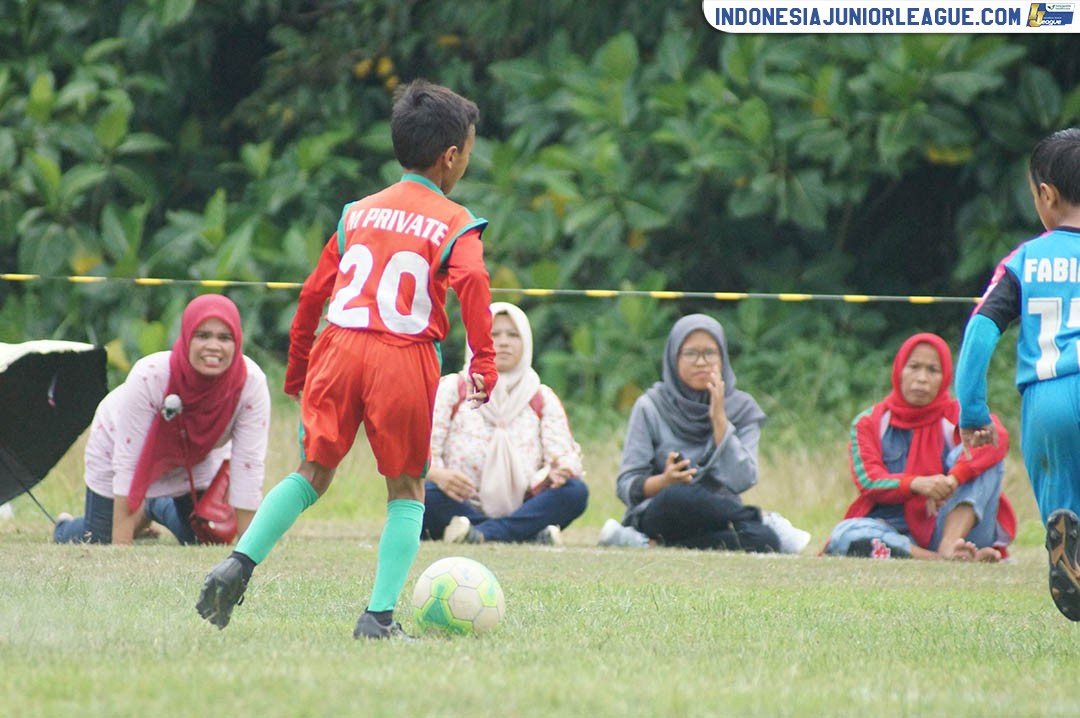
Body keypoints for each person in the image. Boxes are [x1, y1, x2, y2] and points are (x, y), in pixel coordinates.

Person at [196, 79, 498, 640]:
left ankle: (239, 562)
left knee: (311, 473)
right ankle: (378, 618)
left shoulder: (356, 212)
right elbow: (474, 279)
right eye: (468, 156)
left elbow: (313, 293)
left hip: (337, 345)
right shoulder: (455, 220)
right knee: (407, 489)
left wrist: (299, 366)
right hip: (403, 356)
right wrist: (483, 361)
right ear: (450, 156)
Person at [955, 127, 1080, 618]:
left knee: (1062, 504)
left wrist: (972, 409)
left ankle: (1066, 539)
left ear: (1046, 195)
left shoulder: (1025, 260)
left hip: (1048, 399)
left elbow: (981, 332)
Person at [53, 294, 270, 545]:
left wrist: (248, 553)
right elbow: (128, 465)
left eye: (224, 337)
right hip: (120, 443)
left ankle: (152, 506)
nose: (213, 346)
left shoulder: (250, 383)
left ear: (237, 341)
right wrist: (120, 551)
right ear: (187, 337)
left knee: (204, 539)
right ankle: (63, 526)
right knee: (99, 538)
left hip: (195, 455)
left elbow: (248, 467)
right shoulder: (151, 375)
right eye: (202, 336)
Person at [611, 313, 809, 554]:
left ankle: (647, 544)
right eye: (691, 353)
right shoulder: (650, 406)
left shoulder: (742, 407)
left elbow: (743, 479)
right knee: (677, 496)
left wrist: (719, 421)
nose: (701, 362)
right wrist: (665, 481)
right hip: (664, 511)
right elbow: (626, 485)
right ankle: (759, 517)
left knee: (764, 540)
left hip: (719, 514)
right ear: (674, 357)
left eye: (710, 353)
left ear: (723, 357)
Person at [823, 333, 1015, 561]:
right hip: (896, 532)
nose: (922, 378)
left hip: (956, 529)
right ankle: (938, 559)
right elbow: (869, 480)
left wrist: (953, 479)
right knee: (845, 535)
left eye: (933, 370)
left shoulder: (958, 416)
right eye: (914, 367)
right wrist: (916, 484)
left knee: (982, 453)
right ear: (898, 371)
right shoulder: (869, 422)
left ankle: (950, 545)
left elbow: (998, 437)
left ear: (945, 377)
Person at [424, 302, 588, 546]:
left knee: (575, 492)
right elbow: (424, 451)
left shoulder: (540, 397)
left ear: (526, 343)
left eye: (513, 335)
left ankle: (481, 533)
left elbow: (564, 456)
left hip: (524, 503)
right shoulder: (453, 388)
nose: (503, 342)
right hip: (458, 502)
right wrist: (439, 476)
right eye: (492, 334)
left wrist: (553, 475)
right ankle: (525, 533)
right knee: (424, 495)